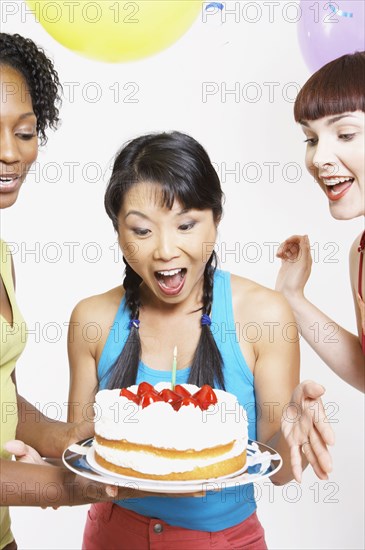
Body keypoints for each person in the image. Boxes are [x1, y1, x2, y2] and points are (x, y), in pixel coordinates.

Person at [67, 131, 334, 550]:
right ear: (117, 231)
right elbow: (83, 459)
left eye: (186, 225)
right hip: (111, 535)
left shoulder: (263, 315)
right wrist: (46, 471)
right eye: (141, 230)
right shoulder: (92, 319)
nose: (165, 250)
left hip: (224, 540)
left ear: (217, 218)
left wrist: (291, 430)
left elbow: (277, 470)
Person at [0, 33, 146, 550]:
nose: (8, 153)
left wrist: (82, 444)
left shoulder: (2, 257)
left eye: (24, 131)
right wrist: (76, 485)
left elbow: (5, 399)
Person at [276, 52, 365, 393]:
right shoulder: (360, 253)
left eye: (345, 134)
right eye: (311, 139)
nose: (319, 158)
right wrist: (290, 296)